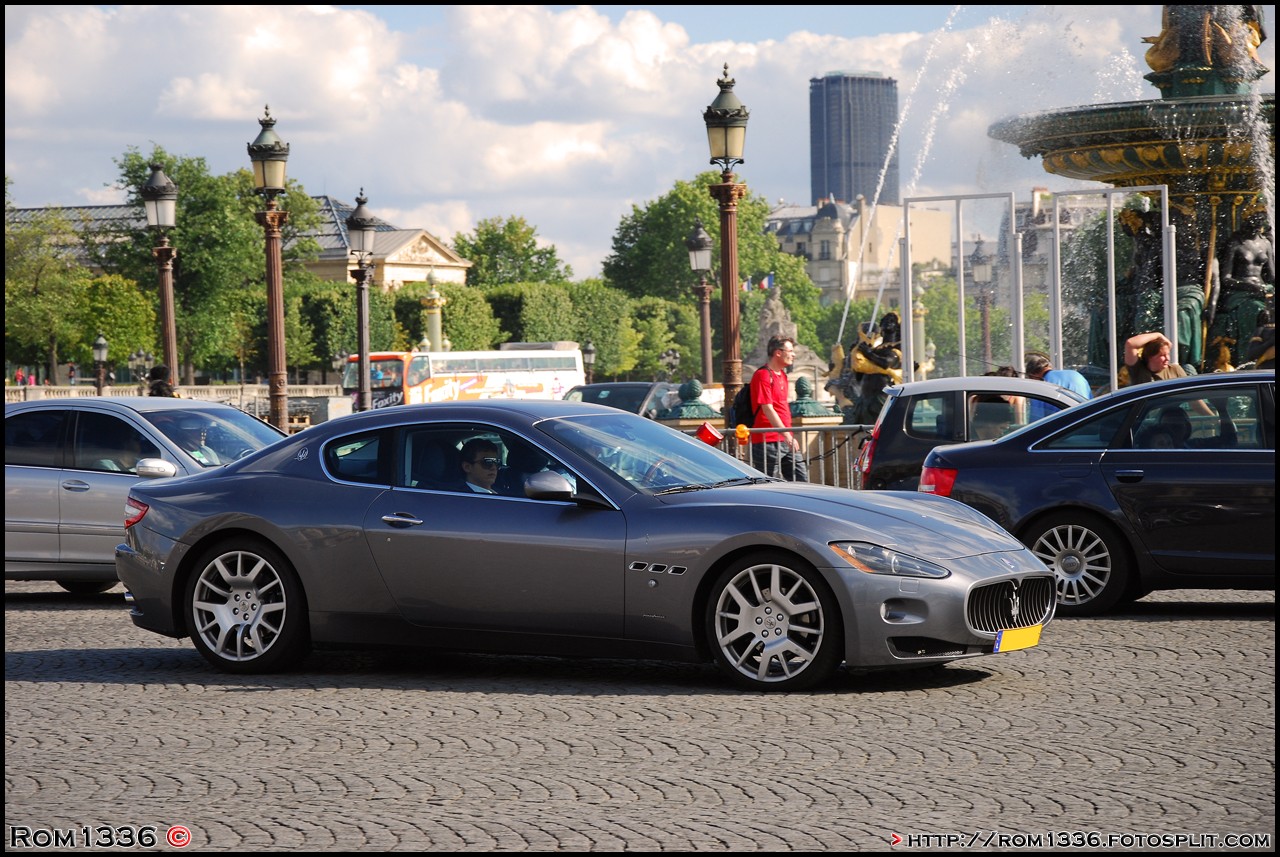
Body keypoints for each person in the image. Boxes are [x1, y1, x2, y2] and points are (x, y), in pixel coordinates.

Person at [749, 335, 808, 482]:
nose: (793, 355)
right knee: (769, 485)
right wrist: (788, 435)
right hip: (767, 441)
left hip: (784, 438)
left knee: (801, 480)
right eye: (790, 351)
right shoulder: (762, 375)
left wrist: (787, 435)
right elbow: (767, 408)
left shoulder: (782, 375)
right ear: (778, 353)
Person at [1024, 352, 1093, 421]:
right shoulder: (1076, 374)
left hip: (1064, 427)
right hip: (1087, 420)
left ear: (1033, 375)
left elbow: (1036, 420)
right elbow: (1090, 400)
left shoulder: (1042, 386)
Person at [1123, 332, 1188, 385]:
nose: (1167, 358)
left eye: (1168, 354)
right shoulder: (1138, 370)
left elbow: (1191, 394)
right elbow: (1130, 343)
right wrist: (1158, 335)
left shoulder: (1175, 370)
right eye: (1162, 355)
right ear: (1150, 356)